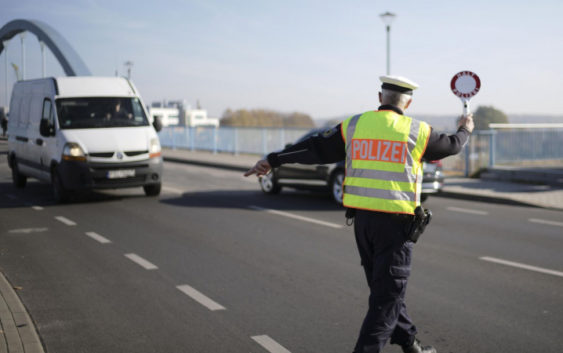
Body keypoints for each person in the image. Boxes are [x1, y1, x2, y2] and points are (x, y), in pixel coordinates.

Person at [244, 75, 474, 353]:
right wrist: (465, 129)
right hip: (396, 227)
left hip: (363, 223)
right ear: (408, 102)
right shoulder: (418, 131)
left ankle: (409, 343)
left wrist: (272, 159)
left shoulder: (354, 126)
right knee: (386, 298)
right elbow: (452, 145)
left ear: (380, 98)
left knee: (384, 292)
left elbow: (314, 147)